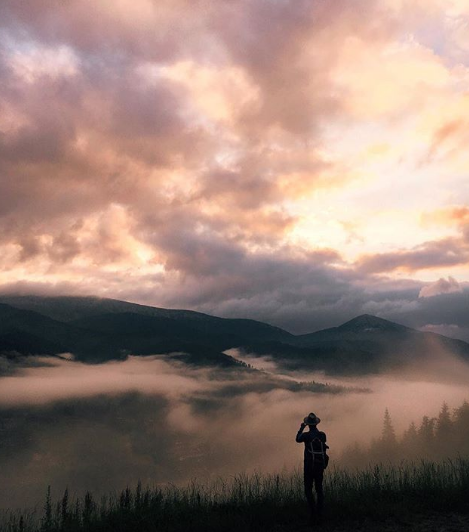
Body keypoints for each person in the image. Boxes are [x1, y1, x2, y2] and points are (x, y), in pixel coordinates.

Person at [296, 412, 329, 523]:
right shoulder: (322, 435)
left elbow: (297, 439)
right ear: (316, 424)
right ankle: (320, 514)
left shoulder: (306, 436)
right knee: (319, 489)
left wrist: (301, 427)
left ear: (309, 424)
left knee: (308, 490)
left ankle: (313, 514)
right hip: (319, 466)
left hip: (309, 466)